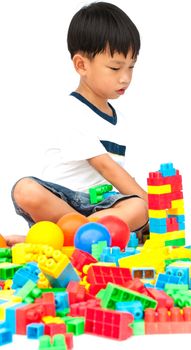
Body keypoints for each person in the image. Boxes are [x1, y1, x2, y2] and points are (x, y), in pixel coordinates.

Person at [6, 2, 148, 247]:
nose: (125, 77)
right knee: (25, 189)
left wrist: (141, 206)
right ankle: (83, 236)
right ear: (81, 65)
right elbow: (106, 167)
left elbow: (117, 176)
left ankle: (68, 239)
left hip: (101, 206)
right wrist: (153, 205)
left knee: (136, 206)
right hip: (62, 202)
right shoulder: (70, 110)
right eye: (115, 67)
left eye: (131, 67)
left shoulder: (119, 119)